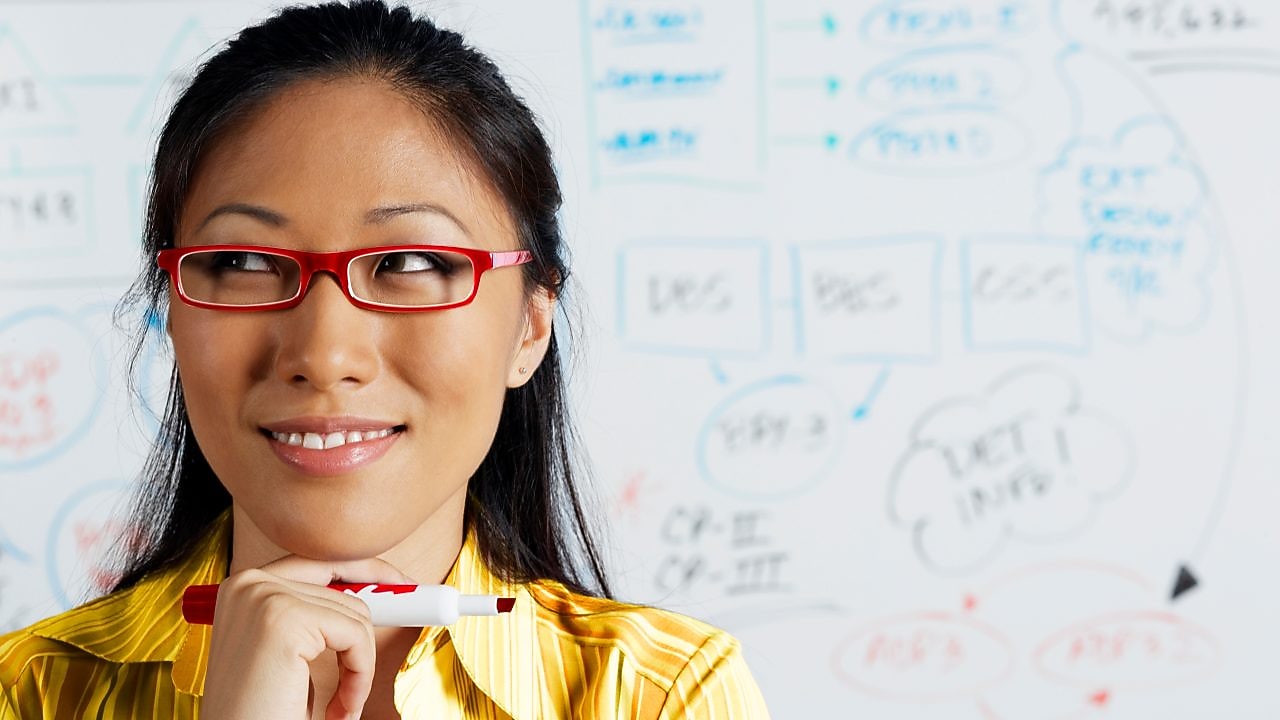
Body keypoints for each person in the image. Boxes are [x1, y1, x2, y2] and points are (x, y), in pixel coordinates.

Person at [0, 2, 770, 718]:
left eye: (408, 262)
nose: (324, 354)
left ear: (531, 324)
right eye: (241, 261)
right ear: (171, 304)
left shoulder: (661, 693)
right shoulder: (29, 688)